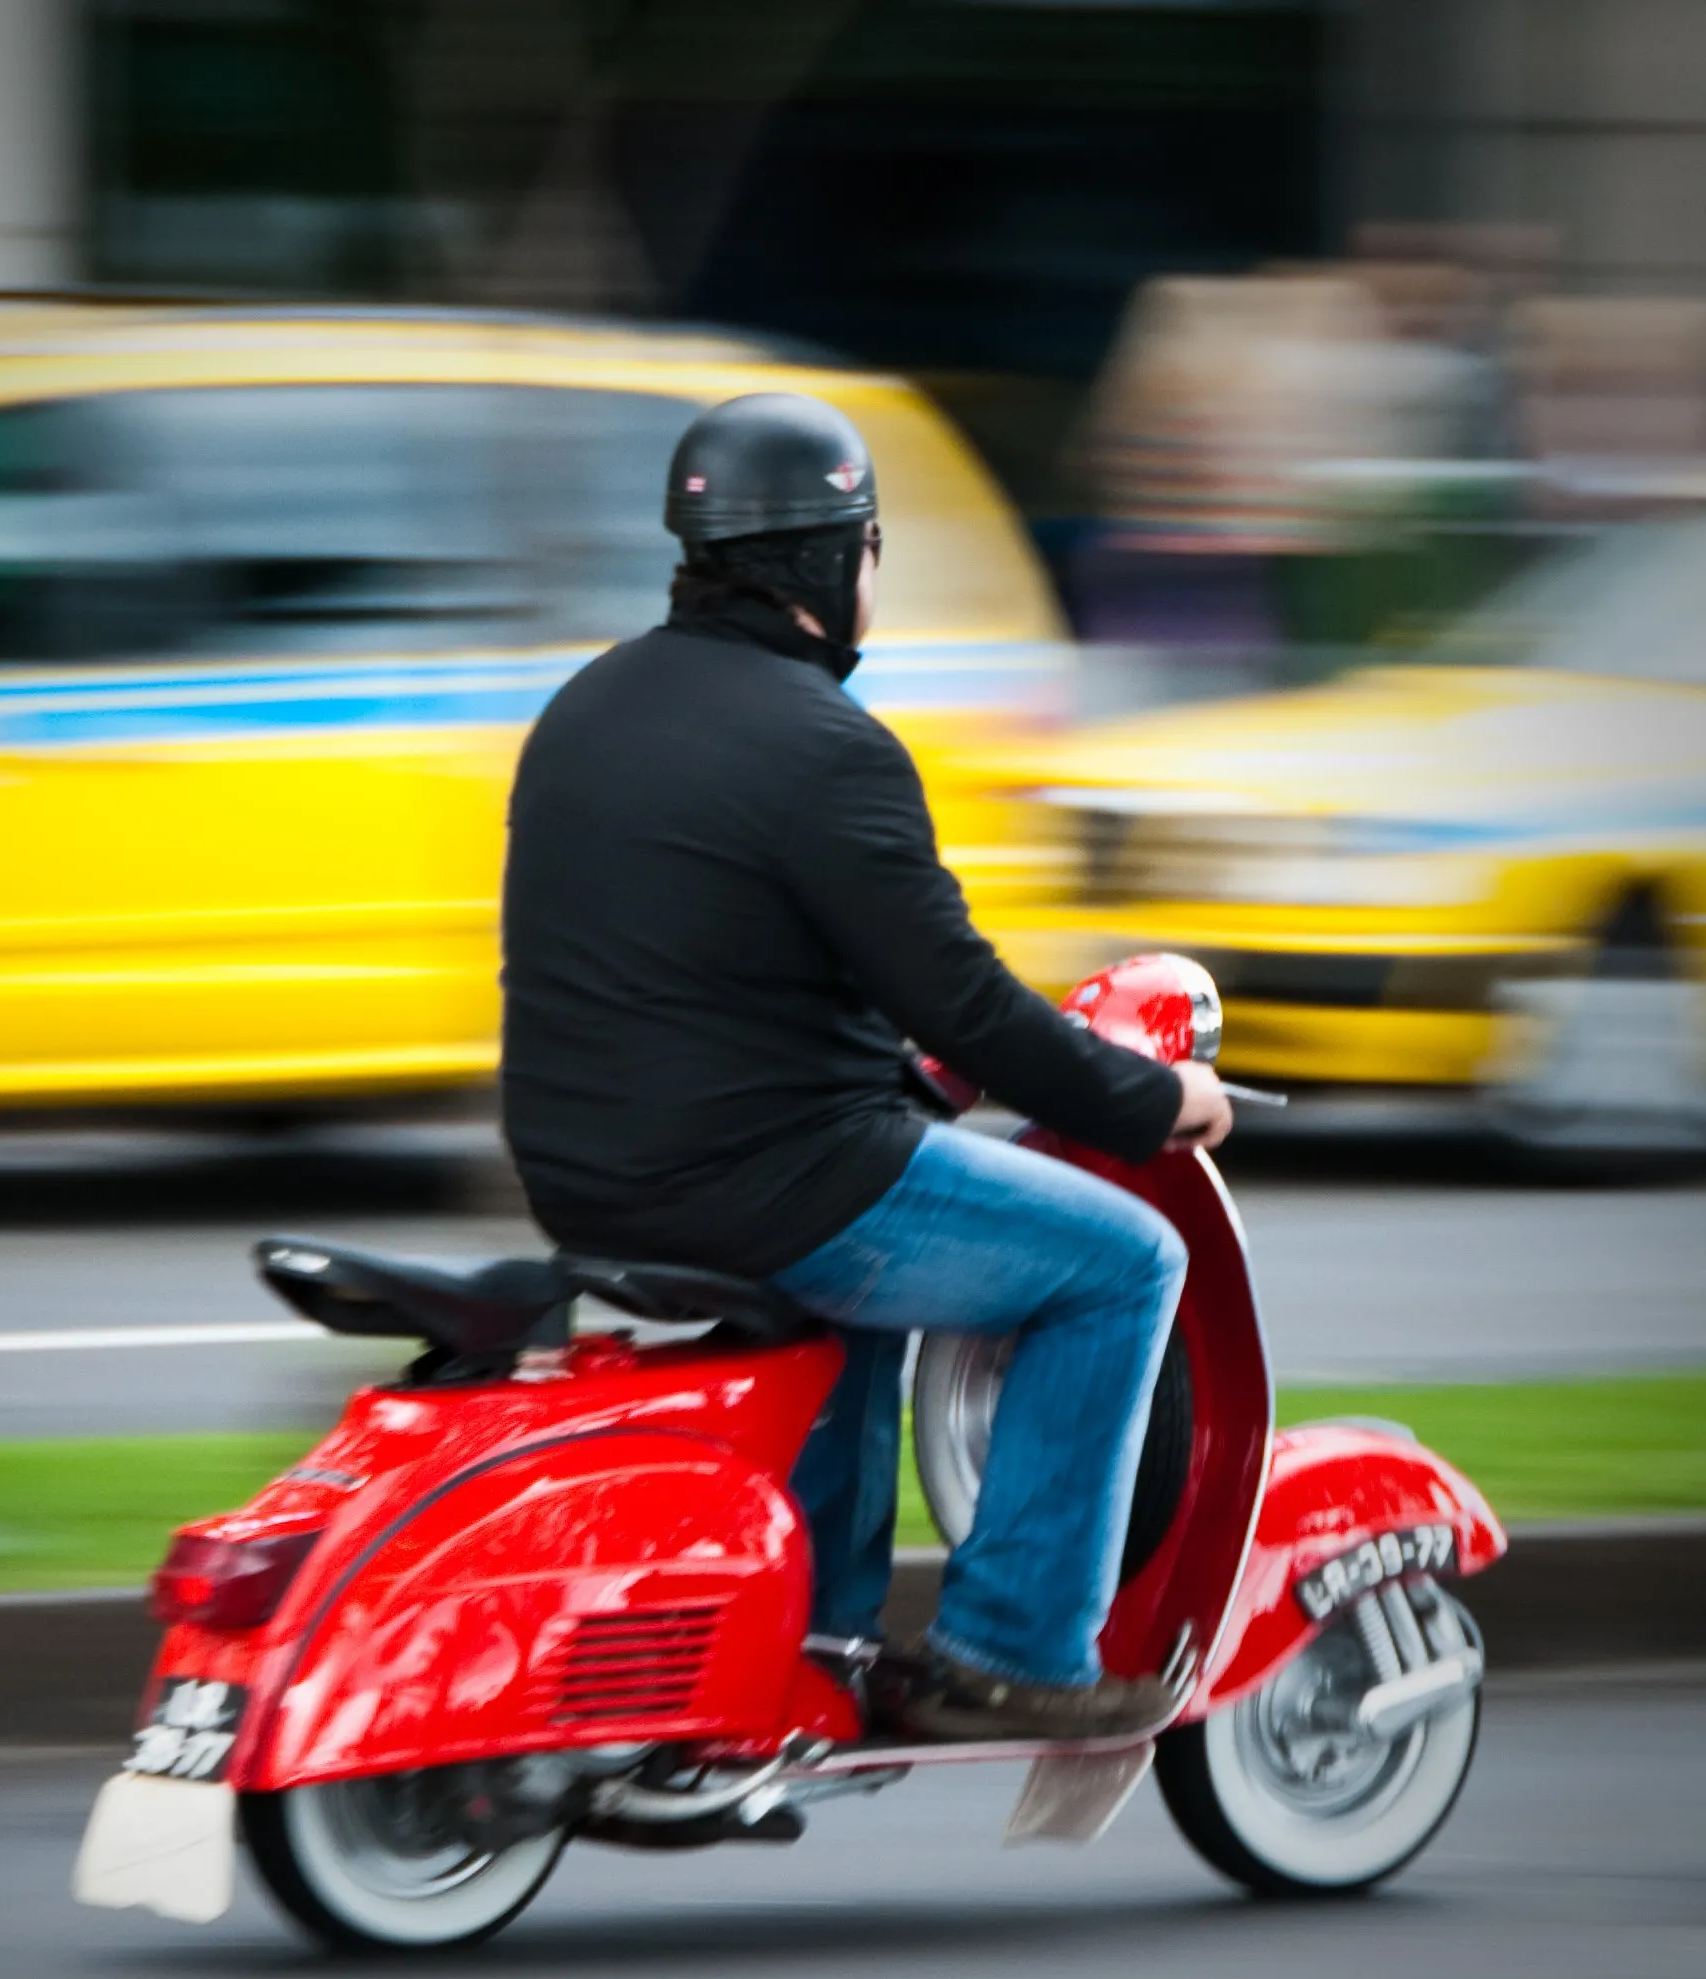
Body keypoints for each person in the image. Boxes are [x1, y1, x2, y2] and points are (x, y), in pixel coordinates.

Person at [500, 392, 1232, 1740]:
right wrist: (1149, 1098)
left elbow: (696, 963)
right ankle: (1008, 1648)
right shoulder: (826, 747)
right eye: (872, 550)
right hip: (760, 1180)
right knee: (1123, 1262)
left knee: (861, 1280)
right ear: (842, 558)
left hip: (585, 1176)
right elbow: (966, 1002)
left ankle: (823, 1641)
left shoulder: (586, 709)